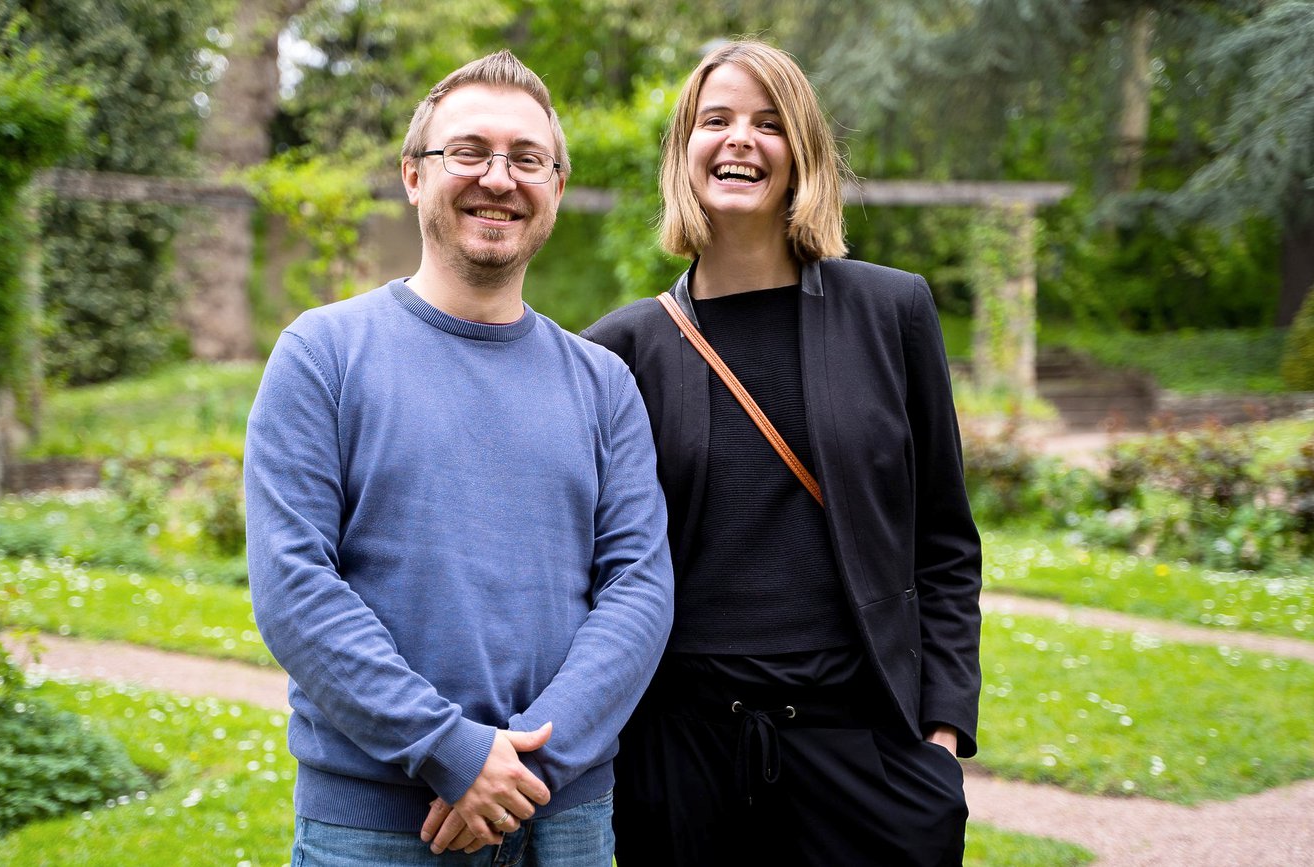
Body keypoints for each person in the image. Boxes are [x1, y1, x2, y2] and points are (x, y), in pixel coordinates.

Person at [244, 50, 674, 866]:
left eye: (527, 159)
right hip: (376, 829)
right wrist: (452, 750)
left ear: (555, 184)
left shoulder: (603, 382)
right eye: (468, 151)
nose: (499, 178)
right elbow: (294, 585)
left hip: (567, 823)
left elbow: (640, 588)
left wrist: (519, 769)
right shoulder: (322, 355)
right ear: (413, 174)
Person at [582, 39, 982, 866]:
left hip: (861, 746)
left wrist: (940, 732)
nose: (739, 139)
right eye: (715, 120)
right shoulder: (623, 347)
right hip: (681, 751)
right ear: (684, 151)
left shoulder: (891, 310)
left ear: (801, 153)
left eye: (768, 124)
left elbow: (943, 540)